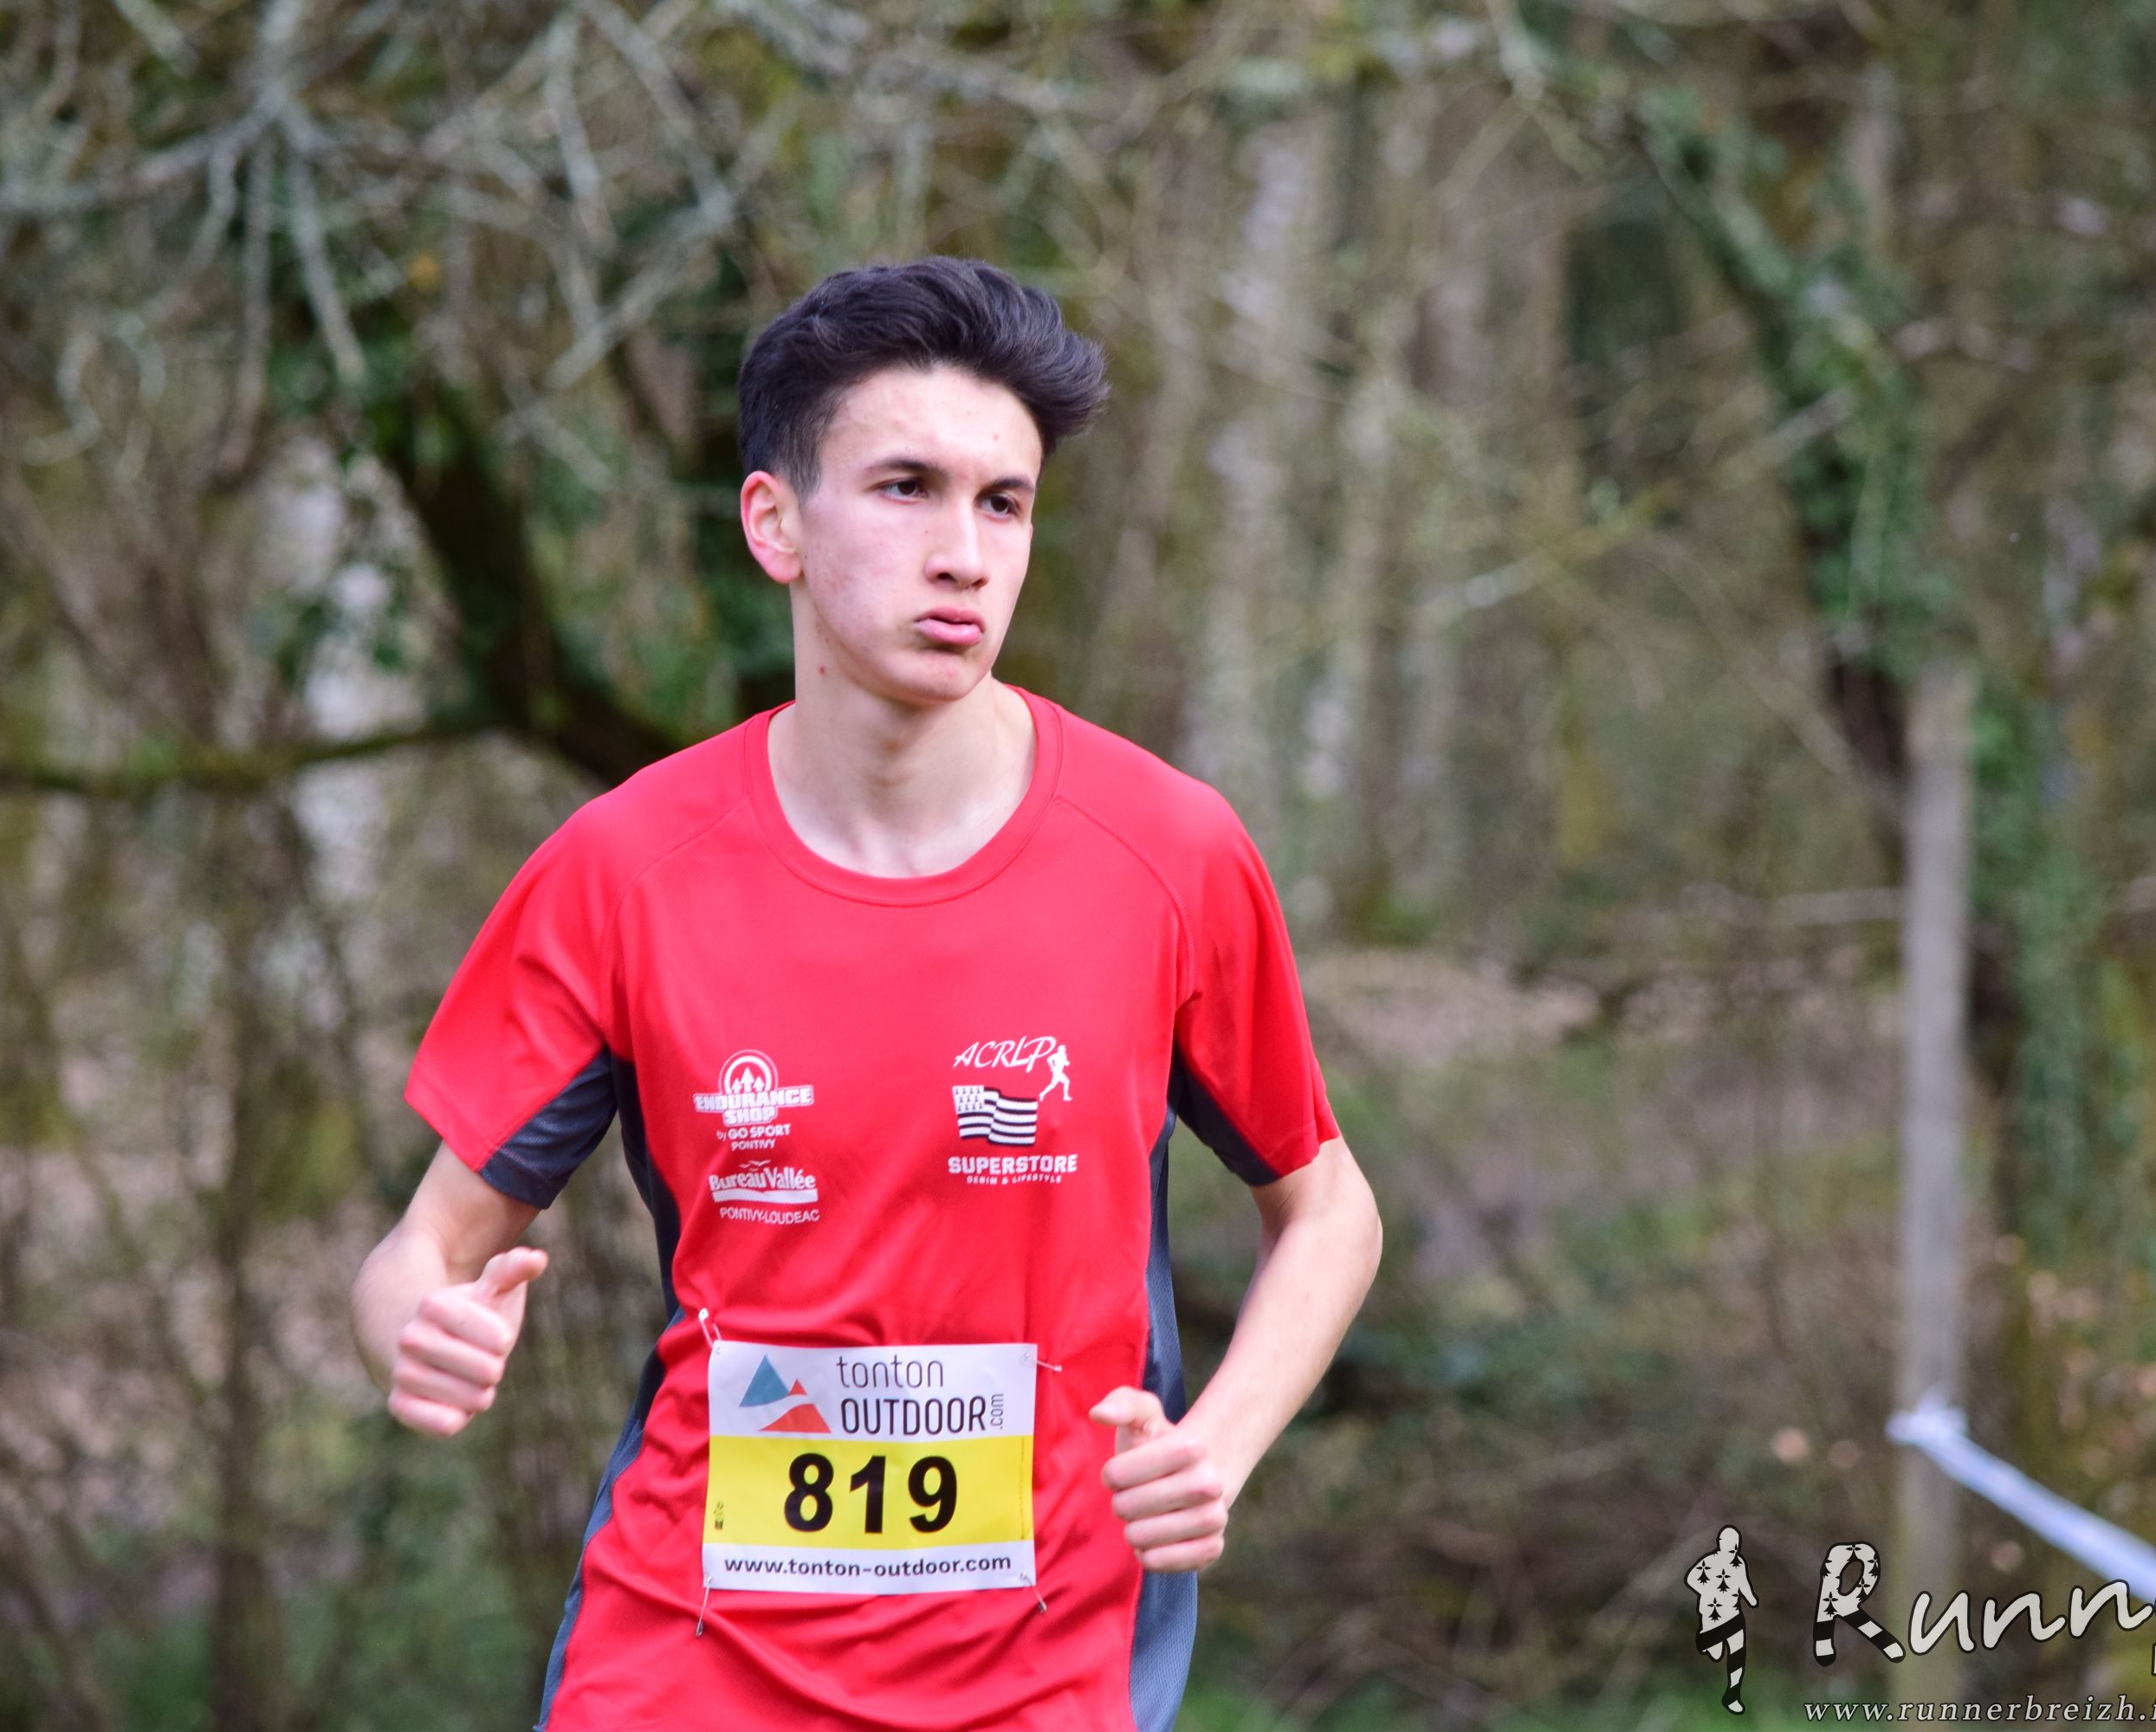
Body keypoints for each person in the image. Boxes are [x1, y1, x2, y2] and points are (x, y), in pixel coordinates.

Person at [349, 256, 1383, 1731]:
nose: (963, 554)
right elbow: (422, 1253)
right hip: (686, 1660)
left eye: (1003, 504)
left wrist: (1221, 1440)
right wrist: (415, 1330)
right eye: (906, 489)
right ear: (773, 523)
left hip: (1048, 1666)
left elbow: (1328, 1206)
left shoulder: (1167, 855)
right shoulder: (623, 869)